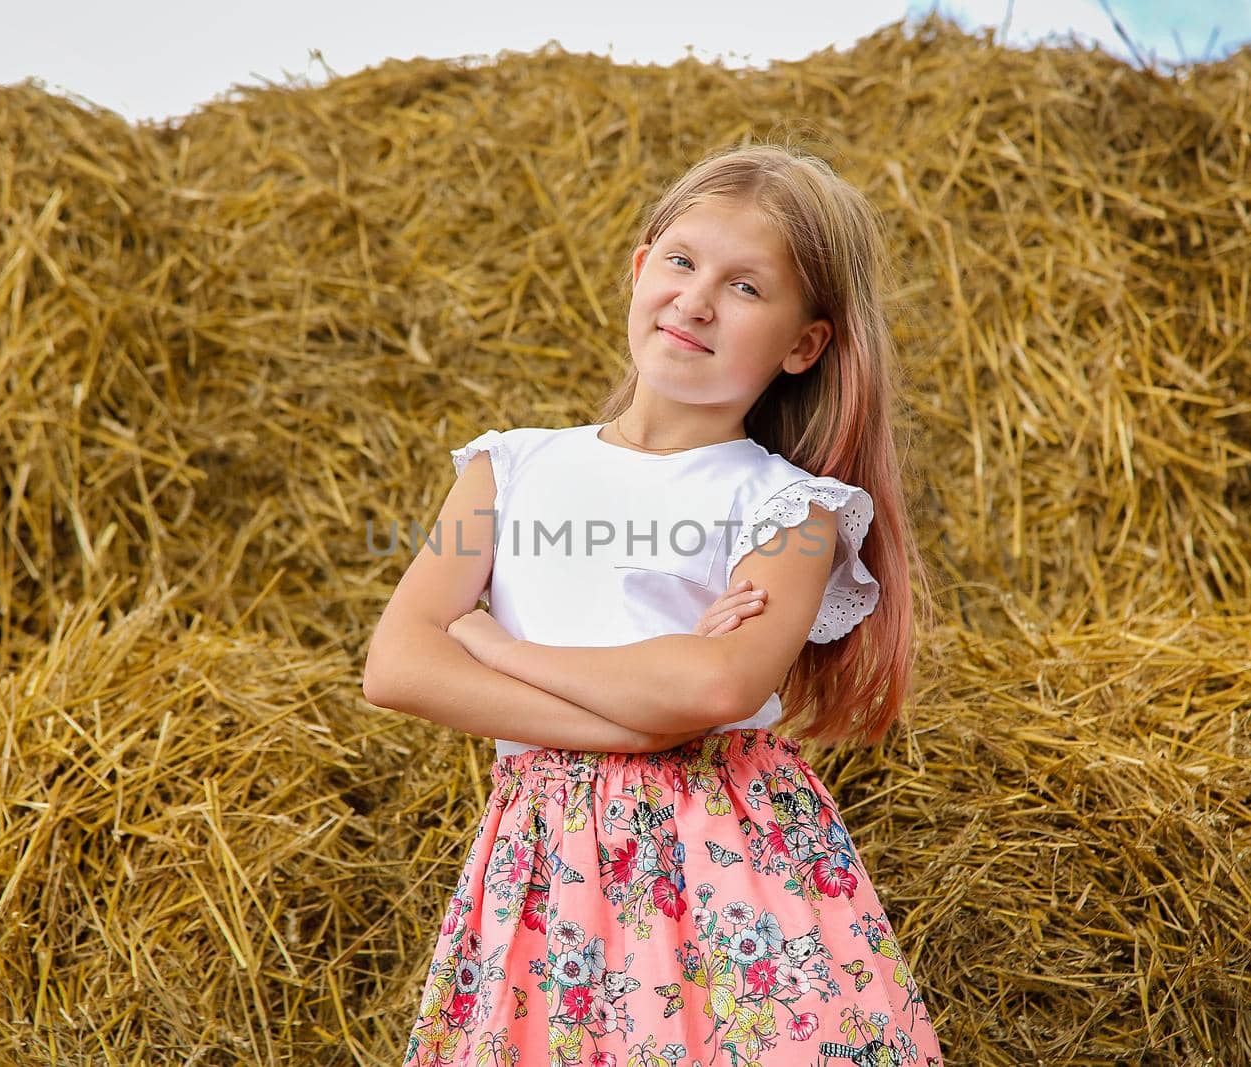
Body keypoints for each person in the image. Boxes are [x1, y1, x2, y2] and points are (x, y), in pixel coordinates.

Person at [364, 141, 945, 1066]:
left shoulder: (790, 511)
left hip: (731, 868)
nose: (698, 299)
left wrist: (492, 642)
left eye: (748, 288)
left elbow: (715, 686)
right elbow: (398, 665)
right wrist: (639, 713)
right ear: (640, 270)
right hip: (548, 868)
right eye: (681, 261)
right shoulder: (507, 470)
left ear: (804, 344)